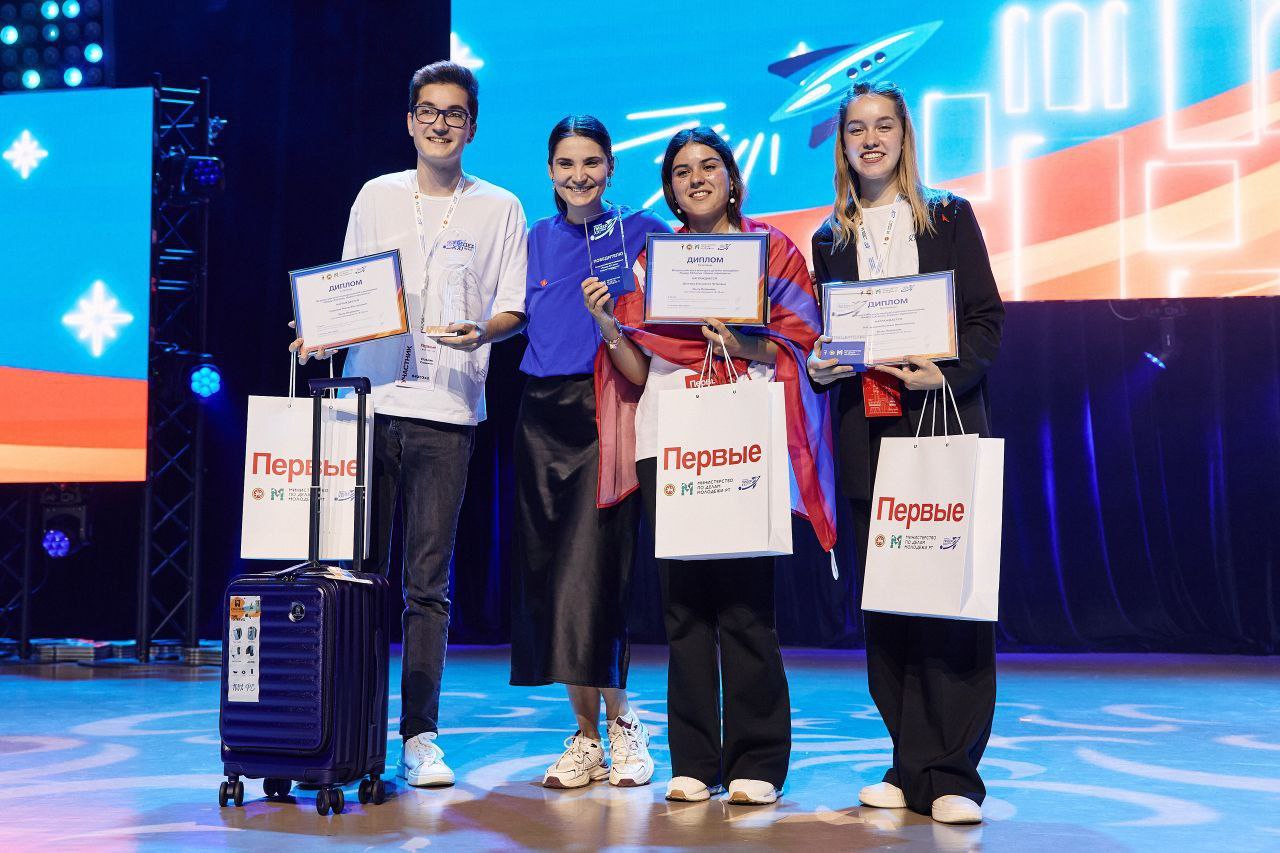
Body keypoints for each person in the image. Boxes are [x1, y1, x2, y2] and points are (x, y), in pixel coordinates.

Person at [584, 127, 837, 806]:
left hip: (743, 434)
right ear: (670, 190)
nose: (696, 178)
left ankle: (759, 761)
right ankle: (695, 760)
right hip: (670, 437)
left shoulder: (772, 250)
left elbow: (806, 345)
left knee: (748, 606)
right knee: (684, 608)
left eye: (709, 166)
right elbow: (638, 368)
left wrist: (748, 344)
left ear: (732, 177)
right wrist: (608, 325)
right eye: (682, 171)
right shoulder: (650, 261)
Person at [292, 60, 528, 788]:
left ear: (472, 126)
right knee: (356, 577)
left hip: (446, 411)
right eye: (428, 111)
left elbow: (514, 306)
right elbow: (347, 291)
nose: (440, 124)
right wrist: (318, 335)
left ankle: (419, 736)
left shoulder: (501, 207)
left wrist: (482, 332)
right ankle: (350, 729)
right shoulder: (376, 195)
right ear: (410, 121)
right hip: (368, 405)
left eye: (454, 113)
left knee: (428, 584)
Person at [806, 81, 1005, 825]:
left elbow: (985, 321)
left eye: (883, 125)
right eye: (856, 128)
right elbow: (834, 338)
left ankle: (952, 772)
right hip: (867, 433)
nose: (870, 139)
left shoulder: (949, 215)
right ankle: (908, 759)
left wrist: (943, 373)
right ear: (843, 144)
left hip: (942, 422)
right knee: (887, 603)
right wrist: (822, 366)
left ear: (905, 136)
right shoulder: (828, 238)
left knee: (948, 600)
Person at [509, 115, 672, 789]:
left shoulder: (642, 232)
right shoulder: (532, 240)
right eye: (566, 164)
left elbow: (678, 312)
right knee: (553, 577)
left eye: (591, 163)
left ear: (610, 168)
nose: (579, 175)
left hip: (607, 407)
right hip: (539, 416)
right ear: (550, 172)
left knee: (599, 573)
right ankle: (583, 735)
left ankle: (625, 723)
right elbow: (508, 315)